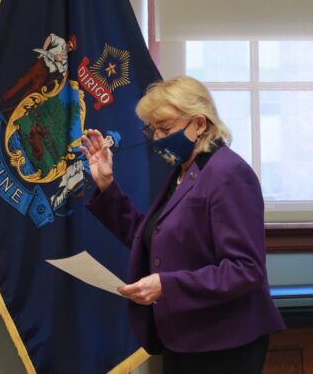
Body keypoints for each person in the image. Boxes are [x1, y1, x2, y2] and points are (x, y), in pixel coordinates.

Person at [80, 76, 284, 374]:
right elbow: (152, 238)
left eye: (166, 128)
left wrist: (166, 285)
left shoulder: (228, 172)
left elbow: (245, 269)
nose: (158, 138)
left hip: (224, 341)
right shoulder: (185, 171)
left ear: (200, 124)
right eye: (153, 129)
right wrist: (107, 185)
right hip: (185, 336)